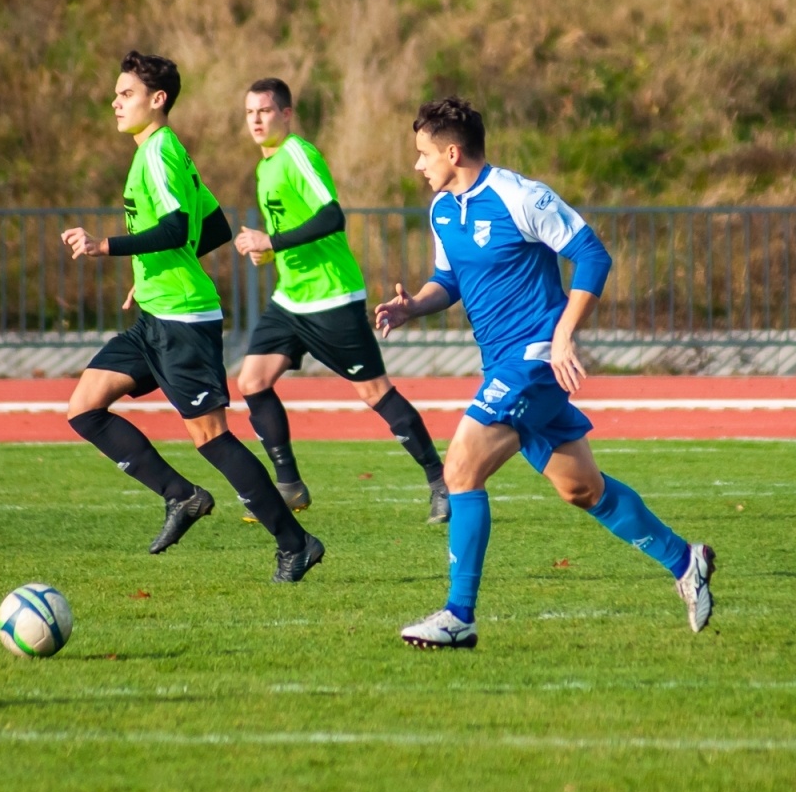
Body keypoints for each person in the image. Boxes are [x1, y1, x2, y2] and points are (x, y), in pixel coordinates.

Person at [376, 97, 714, 649]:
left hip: (533, 363)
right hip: (505, 366)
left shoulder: (520, 195)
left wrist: (563, 334)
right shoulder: (443, 210)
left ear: (453, 152)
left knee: (460, 470)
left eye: (423, 154)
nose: (417, 164)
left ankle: (458, 615)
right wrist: (414, 305)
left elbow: (593, 255)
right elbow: (451, 280)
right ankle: (686, 560)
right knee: (581, 488)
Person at [60, 51, 323, 582]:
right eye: (115, 93)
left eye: (125, 93)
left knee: (212, 438)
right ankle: (181, 496)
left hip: (183, 319)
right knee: (84, 408)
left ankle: (296, 543)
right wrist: (149, 272)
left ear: (157, 100)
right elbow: (217, 229)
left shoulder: (159, 152)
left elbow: (181, 227)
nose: (115, 102)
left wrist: (104, 245)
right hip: (157, 314)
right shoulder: (156, 153)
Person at [232, 79, 449, 524]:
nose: (256, 120)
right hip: (291, 298)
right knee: (252, 381)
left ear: (287, 114)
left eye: (265, 111)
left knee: (374, 393)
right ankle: (289, 486)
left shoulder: (297, 154)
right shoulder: (264, 168)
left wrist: (270, 237)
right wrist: (271, 251)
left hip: (331, 298)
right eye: (250, 112)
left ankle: (441, 483)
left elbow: (332, 216)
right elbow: (298, 227)